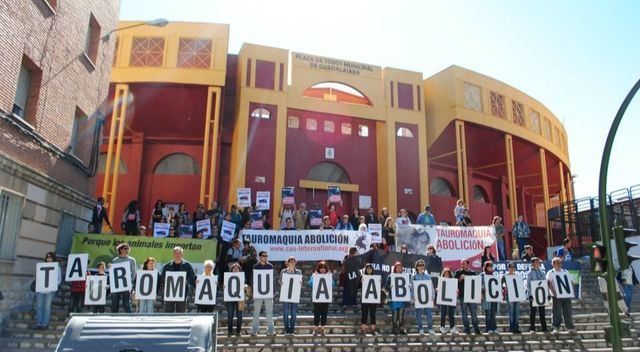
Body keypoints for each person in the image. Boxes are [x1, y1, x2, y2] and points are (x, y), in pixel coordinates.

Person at [160, 246, 196, 313]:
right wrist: (165, 280)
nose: (177, 255)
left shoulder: (187, 265)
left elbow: (192, 276)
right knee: (168, 312)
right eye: (176, 253)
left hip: (182, 292)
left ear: (182, 254)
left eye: (179, 253)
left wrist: (187, 281)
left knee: (180, 312)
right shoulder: (167, 266)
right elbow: (162, 276)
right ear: (173, 254)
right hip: (170, 292)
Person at [547, 257, 576, 334]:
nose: (559, 264)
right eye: (557, 263)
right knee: (557, 312)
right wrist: (553, 292)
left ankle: (570, 327)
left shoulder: (565, 271)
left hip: (566, 295)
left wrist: (572, 291)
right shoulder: (550, 272)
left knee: (568, 312)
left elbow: (571, 281)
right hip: (556, 296)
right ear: (553, 264)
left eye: (560, 263)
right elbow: (549, 283)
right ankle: (555, 327)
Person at [251, 251, 275, 336]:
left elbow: (272, 280)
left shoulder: (270, 266)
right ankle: (254, 330)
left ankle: (271, 330)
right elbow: (253, 280)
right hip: (258, 292)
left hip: (268, 292)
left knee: (269, 312)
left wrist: (273, 291)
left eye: (266, 256)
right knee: (256, 312)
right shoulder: (255, 267)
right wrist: (254, 291)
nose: (265, 257)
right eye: (264, 256)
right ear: (260, 257)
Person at [34, 252, 60, 329]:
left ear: (53, 258)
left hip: (50, 291)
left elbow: (59, 279)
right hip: (40, 290)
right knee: (39, 307)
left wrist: (53, 287)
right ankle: (38, 323)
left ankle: (45, 324)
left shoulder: (57, 268)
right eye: (47, 257)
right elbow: (37, 277)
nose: (48, 258)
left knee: (47, 307)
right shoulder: (41, 266)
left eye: (50, 257)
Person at [455, 259, 481, 335]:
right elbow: (454, 283)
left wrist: (466, 276)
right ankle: (467, 329)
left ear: (468, 264)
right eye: (461, 264)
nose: (462, 265)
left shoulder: (473, 273)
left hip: (471, 296)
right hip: (462, 296)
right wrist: (459, 280)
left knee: (473, 313)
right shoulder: (458, 272)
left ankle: (476, 328)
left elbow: (475, 282)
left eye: (464, 263)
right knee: (464, 313)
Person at [110, 243, 136, 313]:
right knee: (115, 302)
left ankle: (129, 317)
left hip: (126, 285)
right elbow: (113, 273)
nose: (127, 250)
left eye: (128, 248)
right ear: (120, 249)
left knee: (127, 303)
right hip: (117, 285)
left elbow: (134, 273)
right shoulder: (115, 260)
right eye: (125, 248)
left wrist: (130, 282)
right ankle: (113, 317)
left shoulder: (131, 260)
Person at [309, 260, 332, 336]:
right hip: (317, 298)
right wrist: (313, 277)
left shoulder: (328, 276)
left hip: (325, 298)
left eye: (324, 268)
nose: (323, 269)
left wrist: (329, 277)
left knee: (324, 314)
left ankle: (322, 329)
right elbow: (310, 284)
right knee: (317, 313)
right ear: (318, 268)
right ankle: (315, 329)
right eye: (321, 268)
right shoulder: (314, 275)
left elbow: (333, 284)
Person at [413, 259, 435, 336]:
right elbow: (412, 288)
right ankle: (420, 329)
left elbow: (431, 287)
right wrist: (413, 297)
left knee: (429, 314)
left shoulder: (428, 276)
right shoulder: (414, 277)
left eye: (422, 265)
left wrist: (433, 296)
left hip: (427, 298)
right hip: (418, 298)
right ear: (416, 267)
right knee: (418, 314)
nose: (421, 266)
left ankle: (430, 328)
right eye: (419, 265)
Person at [280, 256, 302, 335]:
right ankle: (286, 329)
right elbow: (280, 281)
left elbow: (300, 282)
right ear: (288, 262)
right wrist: (281, 283)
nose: (293, 263)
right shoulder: (283, 271)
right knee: (285, 312)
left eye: (294, 261)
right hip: (286, 293)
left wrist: (300, 283)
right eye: (291, 261)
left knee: (293, 312)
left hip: (294, 294)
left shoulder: (298, 272)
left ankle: (291, 329)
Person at [526, 257, 548, 333]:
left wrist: (547, 293)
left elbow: (545, 283)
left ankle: (544, 326)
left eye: (539, 262)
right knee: (533, 311)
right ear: (533, 263)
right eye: (537, 262)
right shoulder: (529, 273)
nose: (539, 263)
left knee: (542, 311)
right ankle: (532, 327)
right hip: (533, 294)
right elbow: (528, 285)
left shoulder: (542, 273)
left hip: (541, 294)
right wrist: (530, 295)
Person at [387, 261, 408, 335]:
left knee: (401, 314)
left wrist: (408, 286)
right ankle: (395, 327)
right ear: (395, 269)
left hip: (402, 299)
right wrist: (389, 287)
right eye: (397, 268)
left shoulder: (405, 277)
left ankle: (401, 327)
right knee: (395, 314)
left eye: (400, 268)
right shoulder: (390, 276)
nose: (399, 269)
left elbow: (407, 288)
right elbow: (386, 288)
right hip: (394, 299)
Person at [359, 263, 378, 335]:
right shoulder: (362, 277)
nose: (369, 269)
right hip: (365, 298)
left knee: (373, 314)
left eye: (370, 268)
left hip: (373, 299)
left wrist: (379, 281)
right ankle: (363, 329)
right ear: (366, 269)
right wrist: (361, 282)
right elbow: (358, 286)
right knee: (364, 314)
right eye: (368, 268)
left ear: (372, 269)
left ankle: (373, 329)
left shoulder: (375, 277)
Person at [226, 263, 244, 336]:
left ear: (240, 270)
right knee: (230, 315)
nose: (236, 269)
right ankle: (230, 331)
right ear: (231, 270)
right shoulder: (227, 277)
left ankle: (238, 331)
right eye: (234, 268)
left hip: (240, 299)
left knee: (239, 315)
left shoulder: (242, 277)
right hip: (230, 299)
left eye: (237, 268)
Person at [503, 262, 522, 333]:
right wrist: (505, 288)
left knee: (516, 311)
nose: (512, 269)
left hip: (517, 295)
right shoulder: (505, 276)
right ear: (508, 268)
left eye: (513, 267)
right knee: (511, 311)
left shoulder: (517, 276)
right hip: (509, 295)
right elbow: (502, 285)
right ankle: (511, 327)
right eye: (510, 267)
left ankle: (516, 327)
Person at [480, 261, 499, 334]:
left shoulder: (494, 275)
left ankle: (494, 328)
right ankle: (488, 328)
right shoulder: (482, 275)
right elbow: (479, 284)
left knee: (493, 313)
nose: (491, 268)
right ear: (486, 267)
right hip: (486, 297)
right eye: (489, 266)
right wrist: (483, 289)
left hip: (494, 297)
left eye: (491, 266)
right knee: (488, 314)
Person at [439, 268, 456, 334]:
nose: (446, 275)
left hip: (450, 299)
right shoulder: (441, 281)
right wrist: (438, 290)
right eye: (445, 274)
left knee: (451, 313)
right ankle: (442, 327)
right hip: (443, 300)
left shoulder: (452, 281)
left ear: (450, 275)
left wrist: (456, 291)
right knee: (443, 313)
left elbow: (455, 290)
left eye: (447, 274)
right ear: (443, 275)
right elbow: (438, 290)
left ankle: (452, 327)